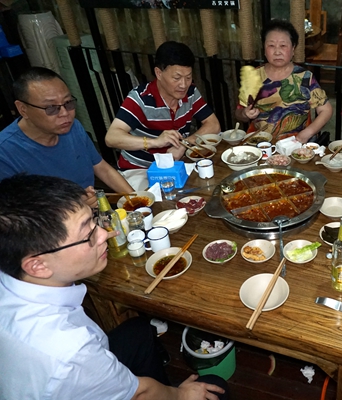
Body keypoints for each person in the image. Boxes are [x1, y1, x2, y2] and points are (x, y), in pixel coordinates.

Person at [0, 174, 229, 400]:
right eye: (88, 235)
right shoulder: (69, 349)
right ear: (38, 265)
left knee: (138, 331)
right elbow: (140, 393)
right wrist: (180, 395)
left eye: (94, 221)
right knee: (213, 388)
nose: (108, 234)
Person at [0, 67, 133, 208]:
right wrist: (72, 208)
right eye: (51, 107)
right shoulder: (5, 153)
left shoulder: (72, 127)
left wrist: (135, 199)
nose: (64, 113)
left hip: (90, 212)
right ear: (23, 109)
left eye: (68, 103)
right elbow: (15, 217)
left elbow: (101, 167)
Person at [106, 41, 221, 169]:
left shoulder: (191, 92)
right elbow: (111, 138)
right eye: (176, 78)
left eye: (188, 77)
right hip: (140, 170)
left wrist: (183, 144)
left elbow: (214, 125)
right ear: (159, 73)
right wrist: (155, 142)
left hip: (176, 166)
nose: (183, 85)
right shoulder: (141, 98)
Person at [235, 19, 333, 143]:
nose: (277, 52)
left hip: (296, 144)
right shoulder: (253, 76)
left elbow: (326, 110)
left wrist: (307, 133)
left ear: (293, 49)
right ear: (264, 49)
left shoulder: (304, 77)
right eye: (271, 46)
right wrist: (244, 113)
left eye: (283, 46)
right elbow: (239, 113)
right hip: (260, 144)